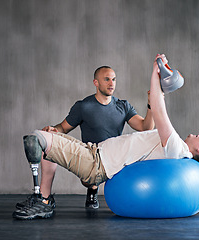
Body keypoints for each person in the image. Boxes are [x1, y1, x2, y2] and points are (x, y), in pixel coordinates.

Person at [12, 54, 199, 220]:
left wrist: (156, 72)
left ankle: (42, 200)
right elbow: (154, 114)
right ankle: (45, 200)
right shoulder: (85, 105)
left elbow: (158, 110)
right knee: (49, 136)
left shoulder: (178, 148)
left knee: (38, 137)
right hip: (94, 151)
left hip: (96, 163)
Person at [15, 64, 155, 215]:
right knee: (47, 143)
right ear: (96, 83)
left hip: (115, 161)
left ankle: (49, 199)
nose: (111, 83)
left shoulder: (123, 106)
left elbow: (145, 127)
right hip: (92, 160)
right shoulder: (84, 107)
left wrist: (151, 103)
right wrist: (52, 130)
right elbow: (63, 128)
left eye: (114, 79)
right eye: (107, 79)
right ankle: (47, 198)